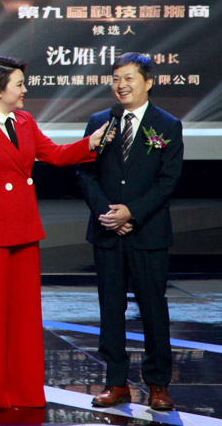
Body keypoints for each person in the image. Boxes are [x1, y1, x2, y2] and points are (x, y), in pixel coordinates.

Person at [0, 56, 113, 409]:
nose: (25, 90)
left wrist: (91, 143)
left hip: (24, 230)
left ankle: (26, 392)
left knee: (24, 316)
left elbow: (54, 154)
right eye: (19, 84)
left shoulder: (24, 122)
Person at [77, 52, 183, 412]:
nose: (121, 85)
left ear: (148, 82)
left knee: (153, 308)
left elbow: (168, 180)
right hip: (107, 230)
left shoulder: (166, 125)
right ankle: (116, 382)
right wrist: (108, 213)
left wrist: (132, 213)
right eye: (116, 79)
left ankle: (158, 384)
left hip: (148, 232)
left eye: (129, 78)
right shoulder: (100, 121)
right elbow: (85, 173)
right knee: (110, 308)